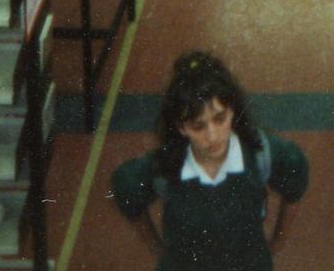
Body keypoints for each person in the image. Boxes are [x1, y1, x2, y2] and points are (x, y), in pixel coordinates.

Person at [109, 49, 308, 270]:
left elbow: (294, 181)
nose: (212, 136)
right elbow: (126, 189)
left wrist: (278, 242)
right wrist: (157, 250)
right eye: (198, 126)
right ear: (180, 126)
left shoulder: (263, 154)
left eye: (220, 118)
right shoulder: (163, 167)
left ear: (233, 110)